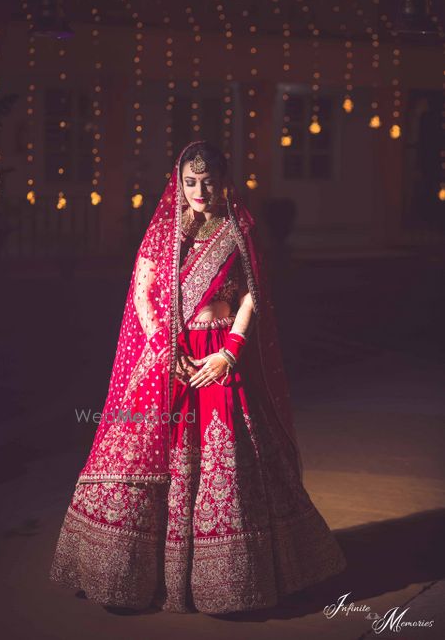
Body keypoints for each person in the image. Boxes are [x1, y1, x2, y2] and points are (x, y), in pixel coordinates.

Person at [49, 140, 347, 615]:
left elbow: (253, 295)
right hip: (169, 357)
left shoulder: (238, 229)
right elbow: (144, 293)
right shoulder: (165, 233)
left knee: (227, 456)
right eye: (190, 182)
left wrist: (231, 352)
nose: (199, 190)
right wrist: (165, 350)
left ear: (224, 180)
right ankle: (130, 576)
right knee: (140, 453)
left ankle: (228, 582)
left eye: (208, 181)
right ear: (179, 183)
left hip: (218, 357)